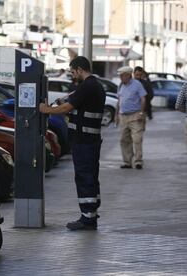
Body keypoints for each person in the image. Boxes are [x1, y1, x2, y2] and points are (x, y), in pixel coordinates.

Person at [39, 56, 105, 231]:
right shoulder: (94, 86)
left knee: (84, 178)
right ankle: (90, 214)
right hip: (88, 141)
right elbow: (74, 108)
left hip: (84, 142)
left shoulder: (87, 86)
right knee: (89, 177)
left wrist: (46, 110)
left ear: (79, 69)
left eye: (72, 72)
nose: (72, 75)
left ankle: (87, 219)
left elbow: (66, 108)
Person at [115, 66, 147, 169]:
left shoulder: (137, 84)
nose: (120, 77)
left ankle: (138, 161)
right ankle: (127, 162)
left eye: (122, 75)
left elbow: (143, 99)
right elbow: (119, 100)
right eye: (120, 75)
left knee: (137, 139)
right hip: (123, 116)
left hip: (135, 115)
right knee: (124, 139)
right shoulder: (121, 85)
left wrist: (141, 113)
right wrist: (116, 115)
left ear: (128, 75)